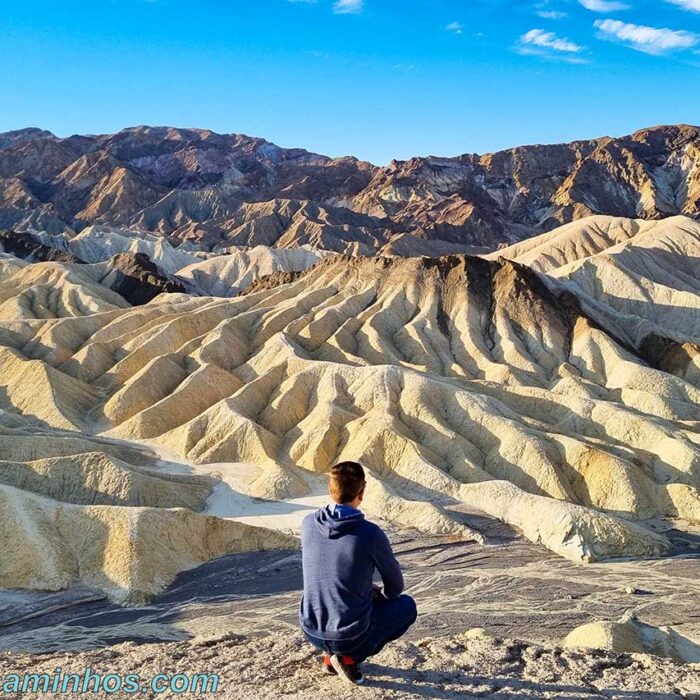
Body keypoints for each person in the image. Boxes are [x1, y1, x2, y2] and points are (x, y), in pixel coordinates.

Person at [299, 461, 418, 685]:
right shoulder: (370, 533)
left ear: (330, 489)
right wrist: (377, 594)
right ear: (361, 493)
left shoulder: (307, 523)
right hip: (349, 635)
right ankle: (349, 658)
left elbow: (327, 569)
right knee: (406, 607)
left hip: (311, 630)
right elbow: (395, 588)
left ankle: (329, 656)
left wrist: (362, 589)